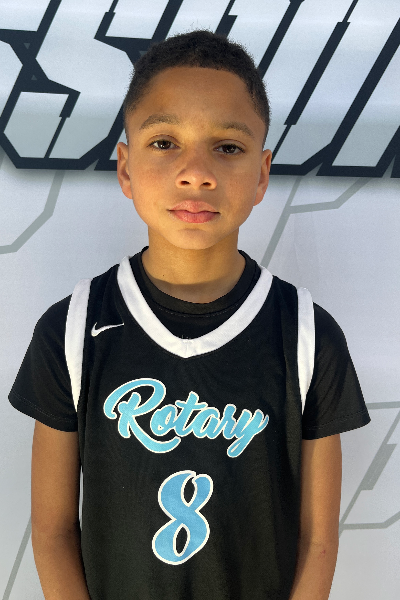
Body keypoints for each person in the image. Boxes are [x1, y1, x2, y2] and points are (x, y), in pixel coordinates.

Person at [9, 30, 370, 600]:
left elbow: (319, 541)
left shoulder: (308, 335)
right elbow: (52, 532)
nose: (196, 172)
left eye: (227, 147)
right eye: (164, 142)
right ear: (125, 168)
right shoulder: (72, 329)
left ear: (262, 173)